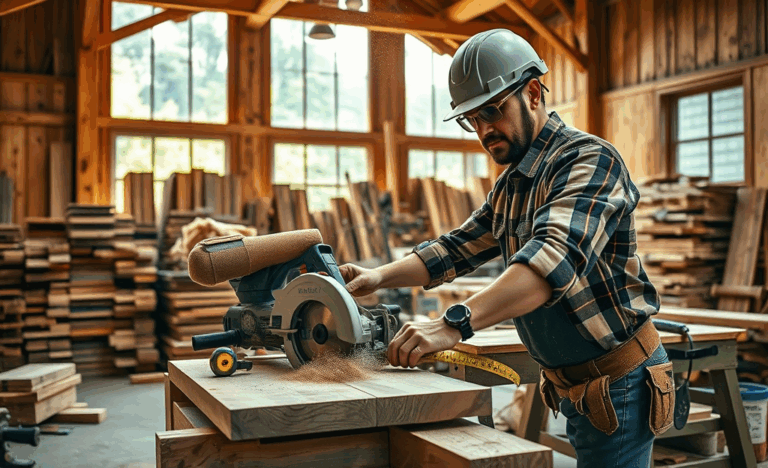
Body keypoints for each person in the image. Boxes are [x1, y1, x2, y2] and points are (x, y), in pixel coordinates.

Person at [338, 29, 675, 467]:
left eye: (492, 112)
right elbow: (455, 249)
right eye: (471, 119)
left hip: (620, 382)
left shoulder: (590, 160)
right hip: (573, 383)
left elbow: (549, 264)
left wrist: (451, 324)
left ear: (533, 92)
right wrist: (378, 276)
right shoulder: (513, 182)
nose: (483, 130)